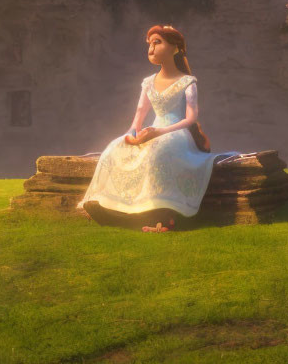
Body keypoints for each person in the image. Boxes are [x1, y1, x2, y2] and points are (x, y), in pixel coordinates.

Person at [77, 24, 237, 232]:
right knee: (113, 149)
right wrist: (131, 136)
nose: (151, 48)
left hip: (176, 134)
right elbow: (138, 116)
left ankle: (162, 216)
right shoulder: (148, 82)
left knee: (158, 151)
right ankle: (114, 208)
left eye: (157, 42)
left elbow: (190, 118)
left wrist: (159, 132)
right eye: (149, 44)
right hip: (151, 131)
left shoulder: (188, 82)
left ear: (175, 48)